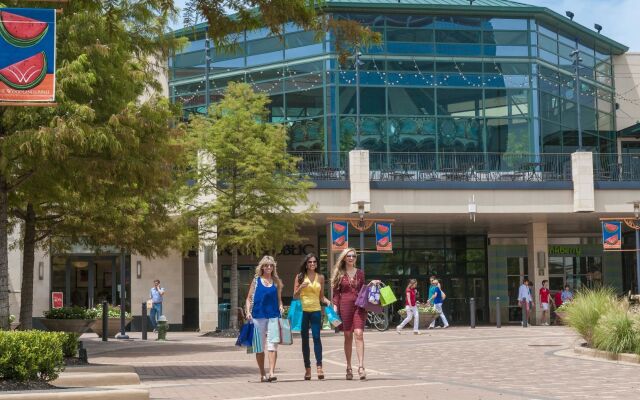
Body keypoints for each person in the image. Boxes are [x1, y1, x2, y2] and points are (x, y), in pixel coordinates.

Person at [331, 247, 380, 380]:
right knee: (347, 335)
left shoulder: (360, 273)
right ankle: (348, 367)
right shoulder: (339, 274)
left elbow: (363, 290)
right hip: (344, 306)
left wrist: (371, 284)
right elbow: (336, 294)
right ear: (344, 258)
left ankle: (361, 366)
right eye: (349, 256)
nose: (351, 258)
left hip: (359, 307)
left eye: (353, 256)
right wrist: (335, 308)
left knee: (359, 334)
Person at [245, 255, 284, 383]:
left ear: (273, 267)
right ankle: (262, 373)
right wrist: (248, 312)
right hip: (258, 316)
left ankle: (272, 372)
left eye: (271, 265)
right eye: (266, 265)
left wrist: (281, 307)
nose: (268, 267)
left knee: (273, 345)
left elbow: (279, 299)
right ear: (262, 267)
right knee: (259, 347)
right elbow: (249, 298)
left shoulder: (276, 282)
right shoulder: (256, 281)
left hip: (273, 316)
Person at [292, 253, 331, 381]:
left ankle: (319, 367)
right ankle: (307, 369)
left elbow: (321, 296)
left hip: (316, 310)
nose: (312, 264)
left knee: (316, 337)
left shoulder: (320, 277)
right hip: (303, 311)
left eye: (314, 262)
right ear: (306, 264)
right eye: (310, 262)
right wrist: (300, 287)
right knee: (304, 340)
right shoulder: (300, 277)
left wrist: (327, 301)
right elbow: (295, 296)